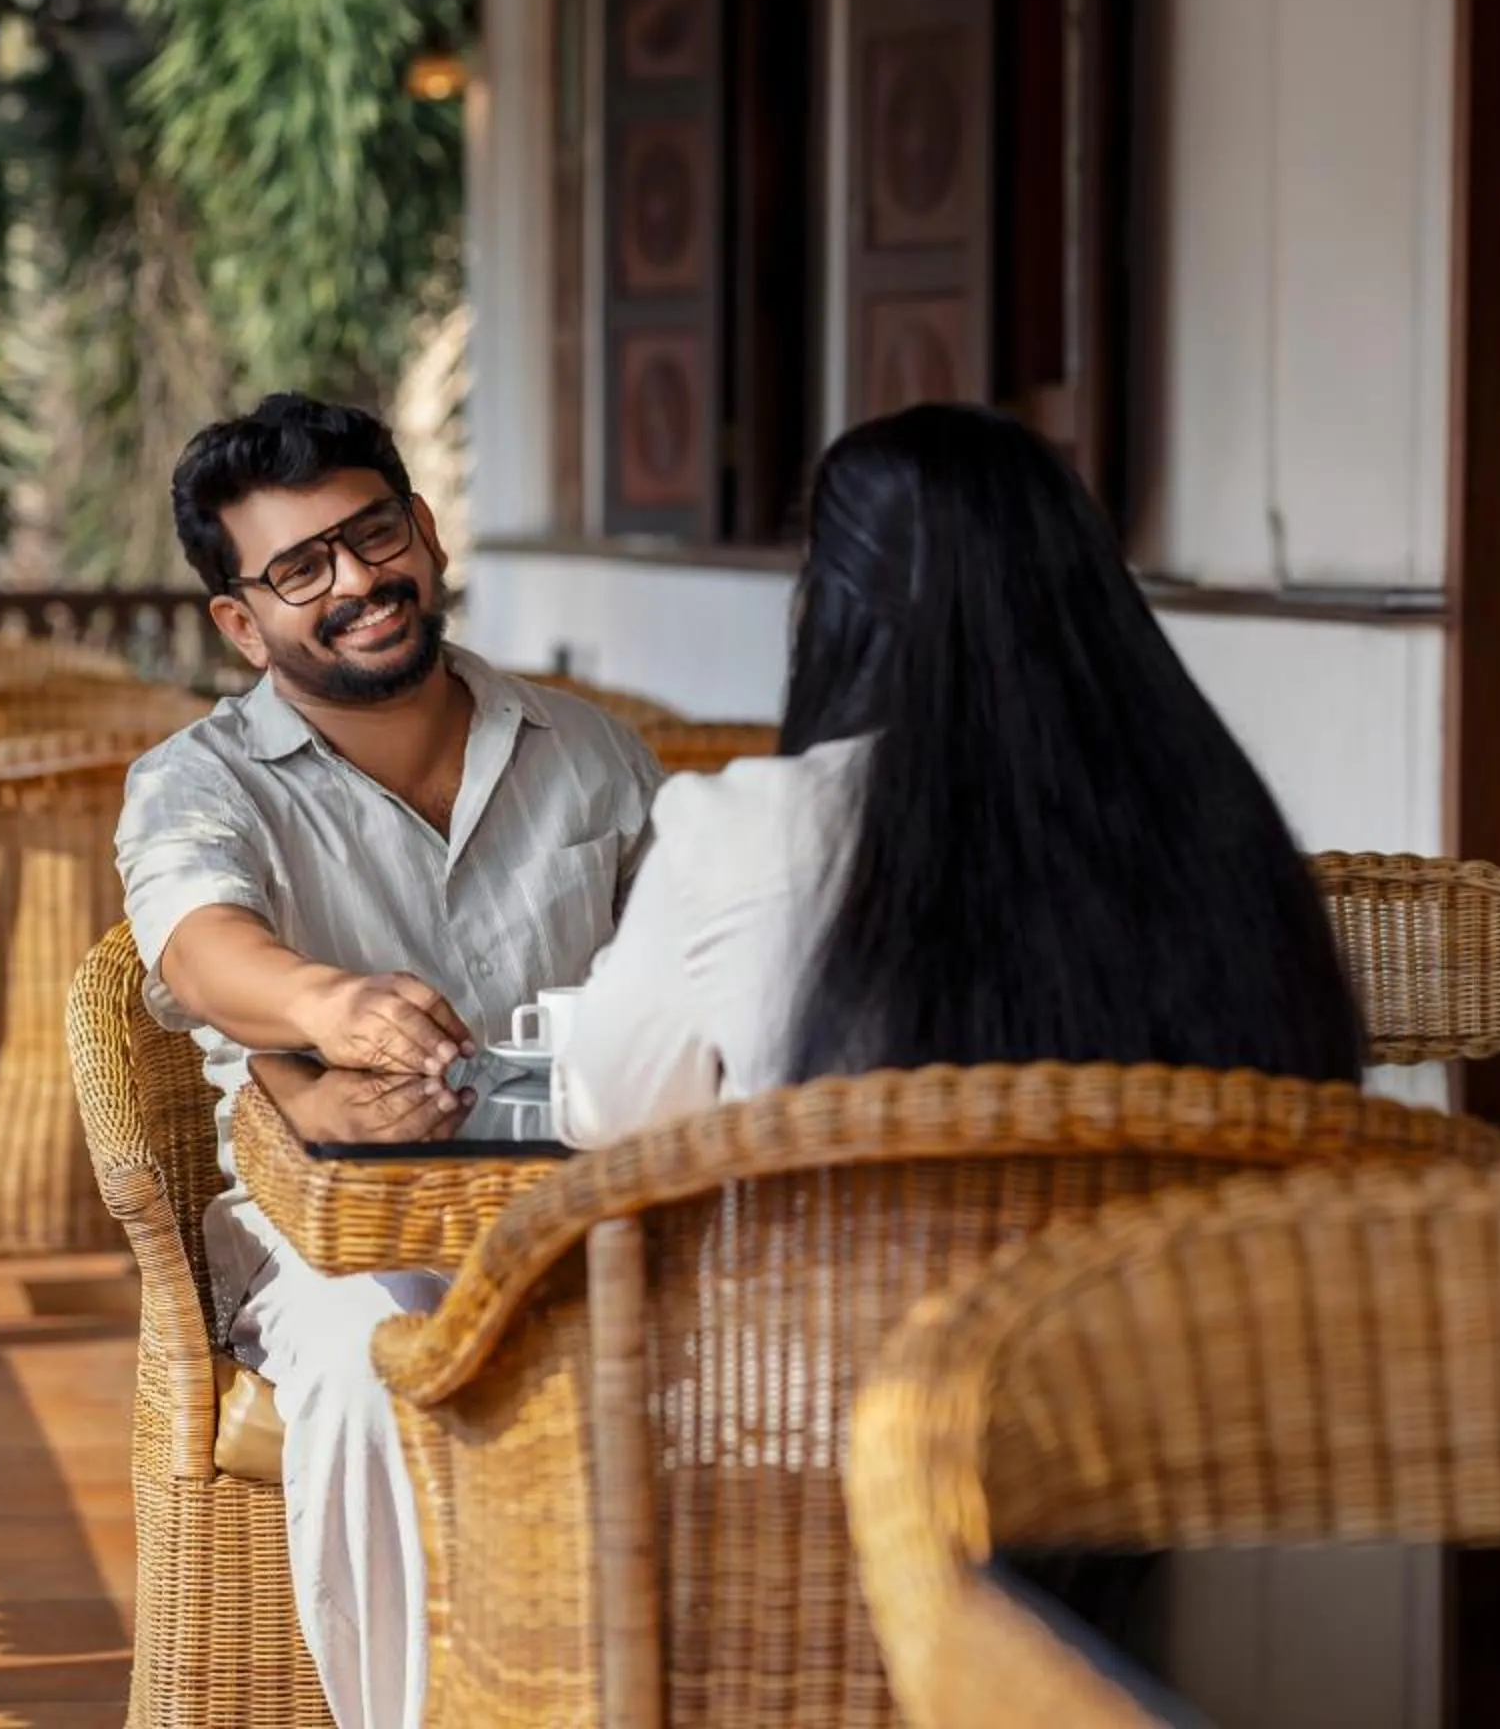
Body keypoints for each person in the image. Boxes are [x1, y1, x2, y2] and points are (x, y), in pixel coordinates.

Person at [115, 393, 659, 1729]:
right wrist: (323, 998)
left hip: (591, 1211)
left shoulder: (590, 752)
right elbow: (196, 948)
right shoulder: (200, 784)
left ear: (423, 530)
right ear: (241, 622)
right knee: (378, 1354)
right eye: (302, 567)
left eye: (373, 535)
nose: (359, 580)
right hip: (337, 1230)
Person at [554, 402, 1366, 1150]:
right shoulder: (1218, 817)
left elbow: (604, 1110)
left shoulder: (740, 834)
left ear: (832, 608)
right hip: (1175, 1302)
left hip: (848, 1304)